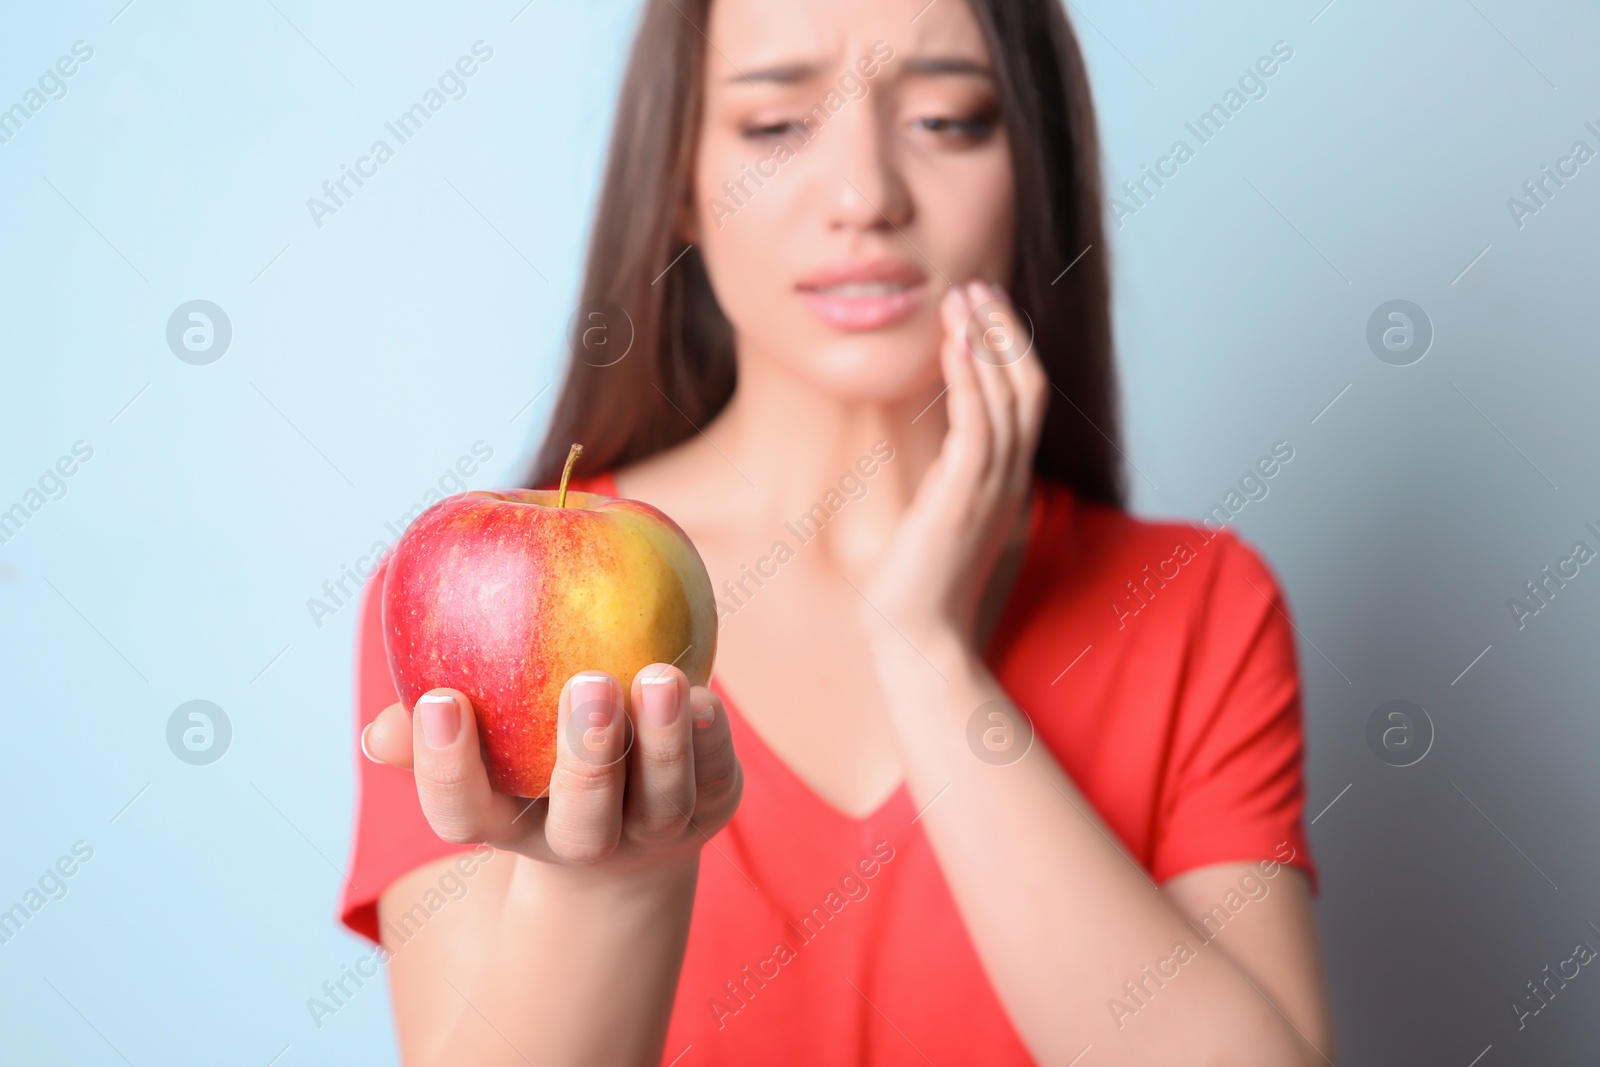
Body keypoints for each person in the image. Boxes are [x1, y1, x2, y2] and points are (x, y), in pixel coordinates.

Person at [341, 0, 1334, 1062]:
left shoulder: (1196, 602)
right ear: (679, 182)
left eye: (948, 119)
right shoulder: (478, 608)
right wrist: (610, 874)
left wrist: (927, 652)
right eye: (774, 127)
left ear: (1029, 165)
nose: (866, 197)